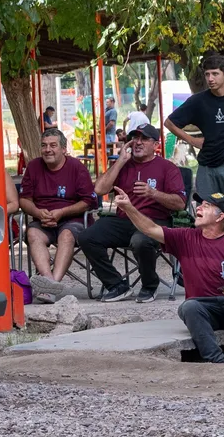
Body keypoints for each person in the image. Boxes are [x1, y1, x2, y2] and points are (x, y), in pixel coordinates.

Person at [114, 185, 224, 363]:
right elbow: (150, 229)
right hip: (203, 309)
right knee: (189, 307)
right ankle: (217, 360)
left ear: (220, 217)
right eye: (199, 204)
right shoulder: (185, 237)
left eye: (207, 205)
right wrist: (128, 207)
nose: (199, 207)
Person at [78, 125, 186, 302]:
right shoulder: (124, 165)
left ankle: (150, 286)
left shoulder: (167, 168)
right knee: (86, 236)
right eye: (134, 138)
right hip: (124, 220)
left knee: (140, 241)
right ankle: (117, 285)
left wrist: (153, 193)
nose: (137, 142)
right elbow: (99, 189)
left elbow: (180, 204)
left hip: (155, 221)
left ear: (156, 145)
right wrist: (120, 161)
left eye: (144, 139)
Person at [20, 128, 98, 303]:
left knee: (67, 235)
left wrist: (62, 212)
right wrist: (38, 213)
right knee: (32, 234)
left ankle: (51, 286)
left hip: (73, 220)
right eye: (44, 145)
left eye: (53, 145)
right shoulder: (33, 166)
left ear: (64, 149)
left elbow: (89, 202)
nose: (48, 149)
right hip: (43, 220)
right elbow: (24, 200)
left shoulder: (77, 167)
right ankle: (50, 283)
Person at [165, 53, 224, 197]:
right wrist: (192, 140)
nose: (210, 79)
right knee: (207, 210)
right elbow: (169, 123)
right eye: (207, 74)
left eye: (215, 74)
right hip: (207, 166)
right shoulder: (198, 101)